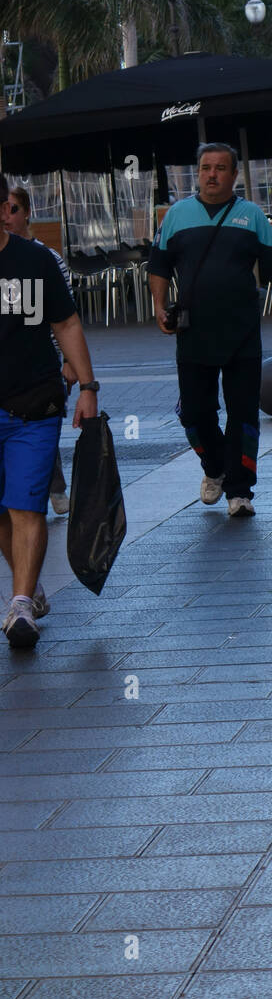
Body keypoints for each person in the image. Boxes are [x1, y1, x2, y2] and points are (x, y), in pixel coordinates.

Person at [147, 142, 272, 518]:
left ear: (234, 175)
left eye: (220, 168)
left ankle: (240, 491)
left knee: (243, 414)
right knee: (195, 414)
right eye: (205, 168)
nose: (212, 175)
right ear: (197, 173)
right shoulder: (176, 215)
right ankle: (214, 468)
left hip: (242, 333)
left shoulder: (251, 216)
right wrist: (158, 306)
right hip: (192, 332)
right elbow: (158, 266)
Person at [0, 172, 99, 647]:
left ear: (3, 210)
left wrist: (87, 387)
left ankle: (20, 605)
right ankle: (29, 581)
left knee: (25, 503)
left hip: (31, 407)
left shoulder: (33, 262)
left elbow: (65, 322)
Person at [8, 187, 75, 515]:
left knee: (39, 425)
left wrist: (69, 361)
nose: (10, 215)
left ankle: (56, 487)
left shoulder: (44, 258)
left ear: (26, 212)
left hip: (41, 366)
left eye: (15, 208)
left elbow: (65, 317)